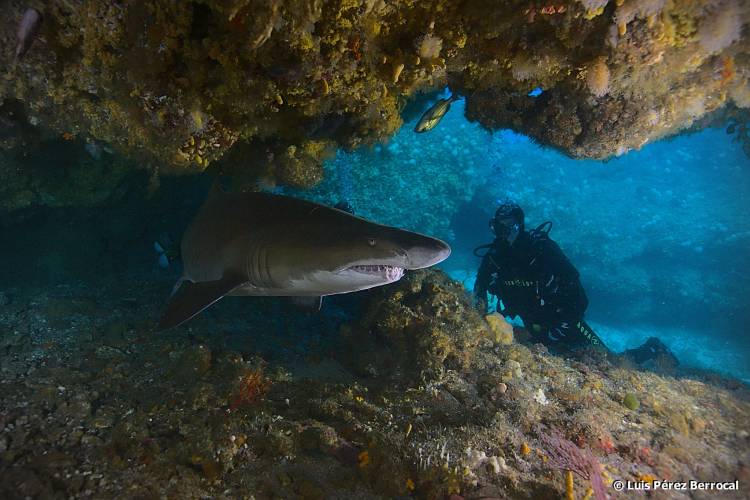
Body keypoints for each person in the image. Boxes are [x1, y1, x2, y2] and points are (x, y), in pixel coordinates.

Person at [474, 201, 677, 366]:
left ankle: (652, 349)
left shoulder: (541, 248)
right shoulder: (495, 257)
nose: (502, 232)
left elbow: (577, 290)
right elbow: (480, 288)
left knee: (607, 363)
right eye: (497, 227)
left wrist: (563, 326)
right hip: (534, 323)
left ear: (519, 225)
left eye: (507, 226)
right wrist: (480, 317)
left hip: (564, 320)